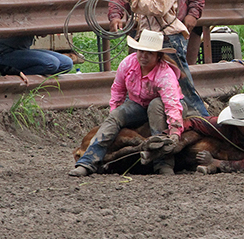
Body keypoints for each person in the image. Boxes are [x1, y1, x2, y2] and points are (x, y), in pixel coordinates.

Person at [68, 30, 184, 177]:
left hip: (161, 106)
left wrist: (174, 131)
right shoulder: (128, 64)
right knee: (116, 115)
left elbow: (172, 104)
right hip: (138, 105)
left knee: (155, 106)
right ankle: (87, 161)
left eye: (149, 53)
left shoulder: (165, 74)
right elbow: (118, 90)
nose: (143, 56)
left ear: (158, 56)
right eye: (141, 51)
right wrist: (115, 112)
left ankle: (163, 164)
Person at [0, 0, 74, 76]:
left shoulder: (43, 5)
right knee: (51, 63)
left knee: (67, 63)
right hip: (4, 53)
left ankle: (40, 84)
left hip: (22, 51)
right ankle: (13, 77)